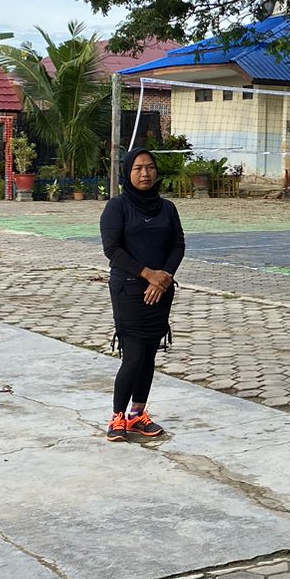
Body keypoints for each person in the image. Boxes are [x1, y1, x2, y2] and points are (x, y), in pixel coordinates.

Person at [99, 148, 185, 443]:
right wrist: (149, 274)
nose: (145, 173)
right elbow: (112, 249)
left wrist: (164, 277)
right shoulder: (117, 207)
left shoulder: (167, 208)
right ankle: (117, 417)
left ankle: (137, 415)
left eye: (149, 167)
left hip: (161, 290)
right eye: (138, 168)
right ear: (128, 172)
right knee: (134, 356)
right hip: (129, 289)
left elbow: (178, 244)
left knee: (148, 355)